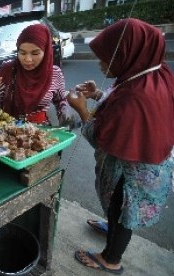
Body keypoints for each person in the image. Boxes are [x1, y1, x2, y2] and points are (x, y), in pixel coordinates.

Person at [67, 18, 174, 274]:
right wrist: (98, 95)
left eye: (108, 59)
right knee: (118, 211)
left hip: (133, 177)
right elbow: (119, 100)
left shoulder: (135, 98)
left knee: (123, 211)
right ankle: (111, 228)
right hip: (147, 163)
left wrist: (82, 109)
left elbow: (102, 139)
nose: (101, 64)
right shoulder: (152, 73)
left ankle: (111, 259)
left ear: (129, 55)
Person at [0, 23, 70, 126]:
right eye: (22, 53)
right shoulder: (8, 69)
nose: (27, 59)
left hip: (41, 134)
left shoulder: (54, 73)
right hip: (8, 131)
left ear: (46, 51)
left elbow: (60, 100)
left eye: (35, 53)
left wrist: (66, 118)